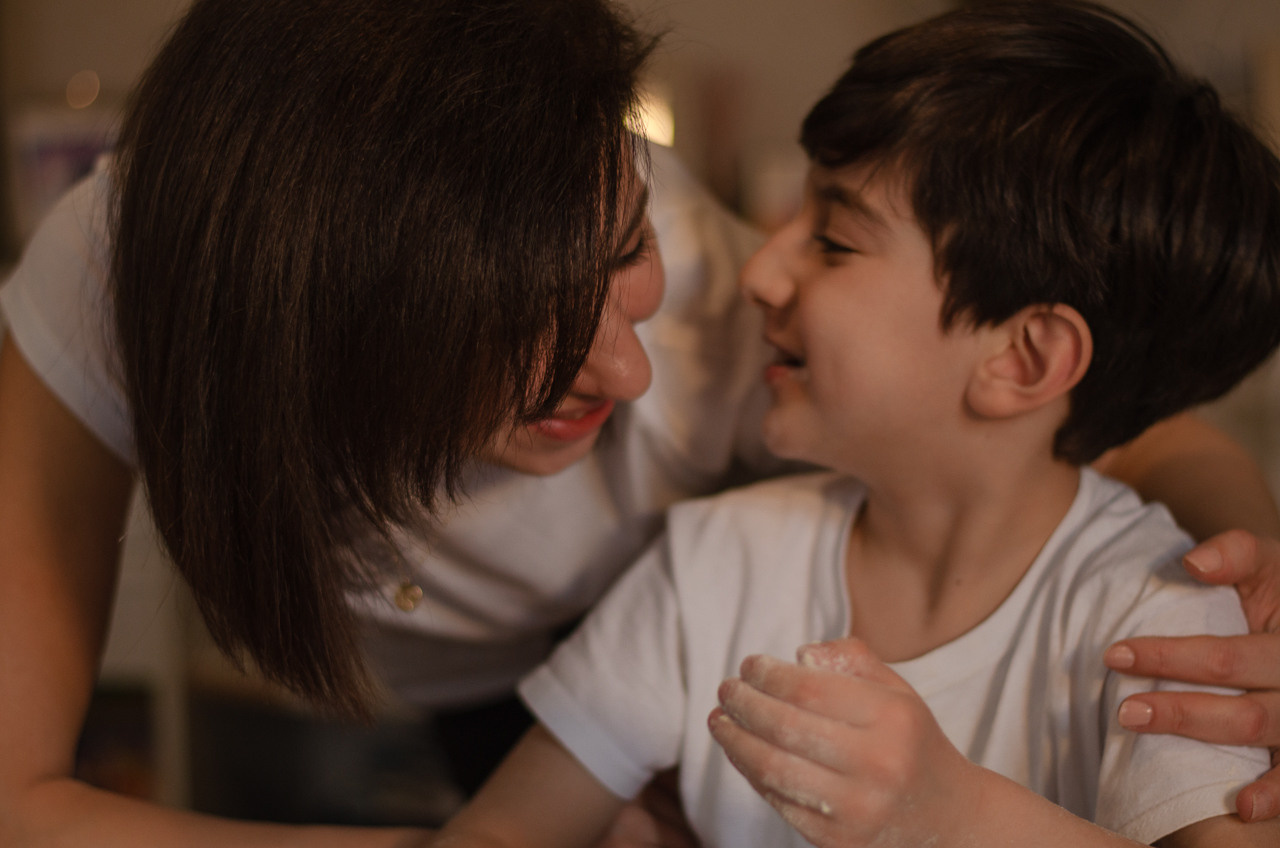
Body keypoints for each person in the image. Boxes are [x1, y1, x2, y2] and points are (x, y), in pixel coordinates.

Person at [1, 0, 1280, 846]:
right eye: (536, 353)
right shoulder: (127, 278)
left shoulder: (745, 337)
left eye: (628, 249)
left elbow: (1109, 429)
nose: (627, 370)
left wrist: (1243, 576)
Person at [428, 2, 1280, 846]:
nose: (759, 271)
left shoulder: (1164, 620)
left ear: (1023, 359)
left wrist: (961, 816)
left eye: (833, 239)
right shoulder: (710, 564)